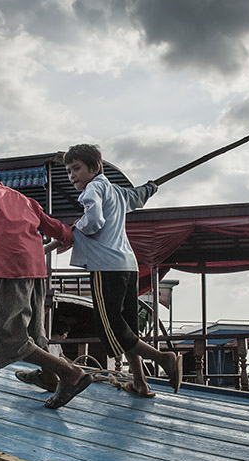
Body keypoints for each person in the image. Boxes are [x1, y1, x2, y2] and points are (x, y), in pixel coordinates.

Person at [0, 151, 90, 409]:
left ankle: (70, 374)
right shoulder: (23, 199)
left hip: (8, 269)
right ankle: (48, 377)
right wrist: (76, 233)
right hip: (35, 270)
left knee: (1, 335)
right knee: (35, 333)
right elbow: (58, 230)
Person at [63, 144, 182, 398]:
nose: (72, 175)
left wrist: (76, 228)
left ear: (95, 168)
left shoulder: (93, 188)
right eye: (69, 171)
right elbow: (138, 196)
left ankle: (163, 358)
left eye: (77, 169)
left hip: (106, 266)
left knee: (113, 330)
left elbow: (93, 221)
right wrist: (151, 187)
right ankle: (140, 382)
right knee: (128, 327)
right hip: (128, 265)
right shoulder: (116, 191)